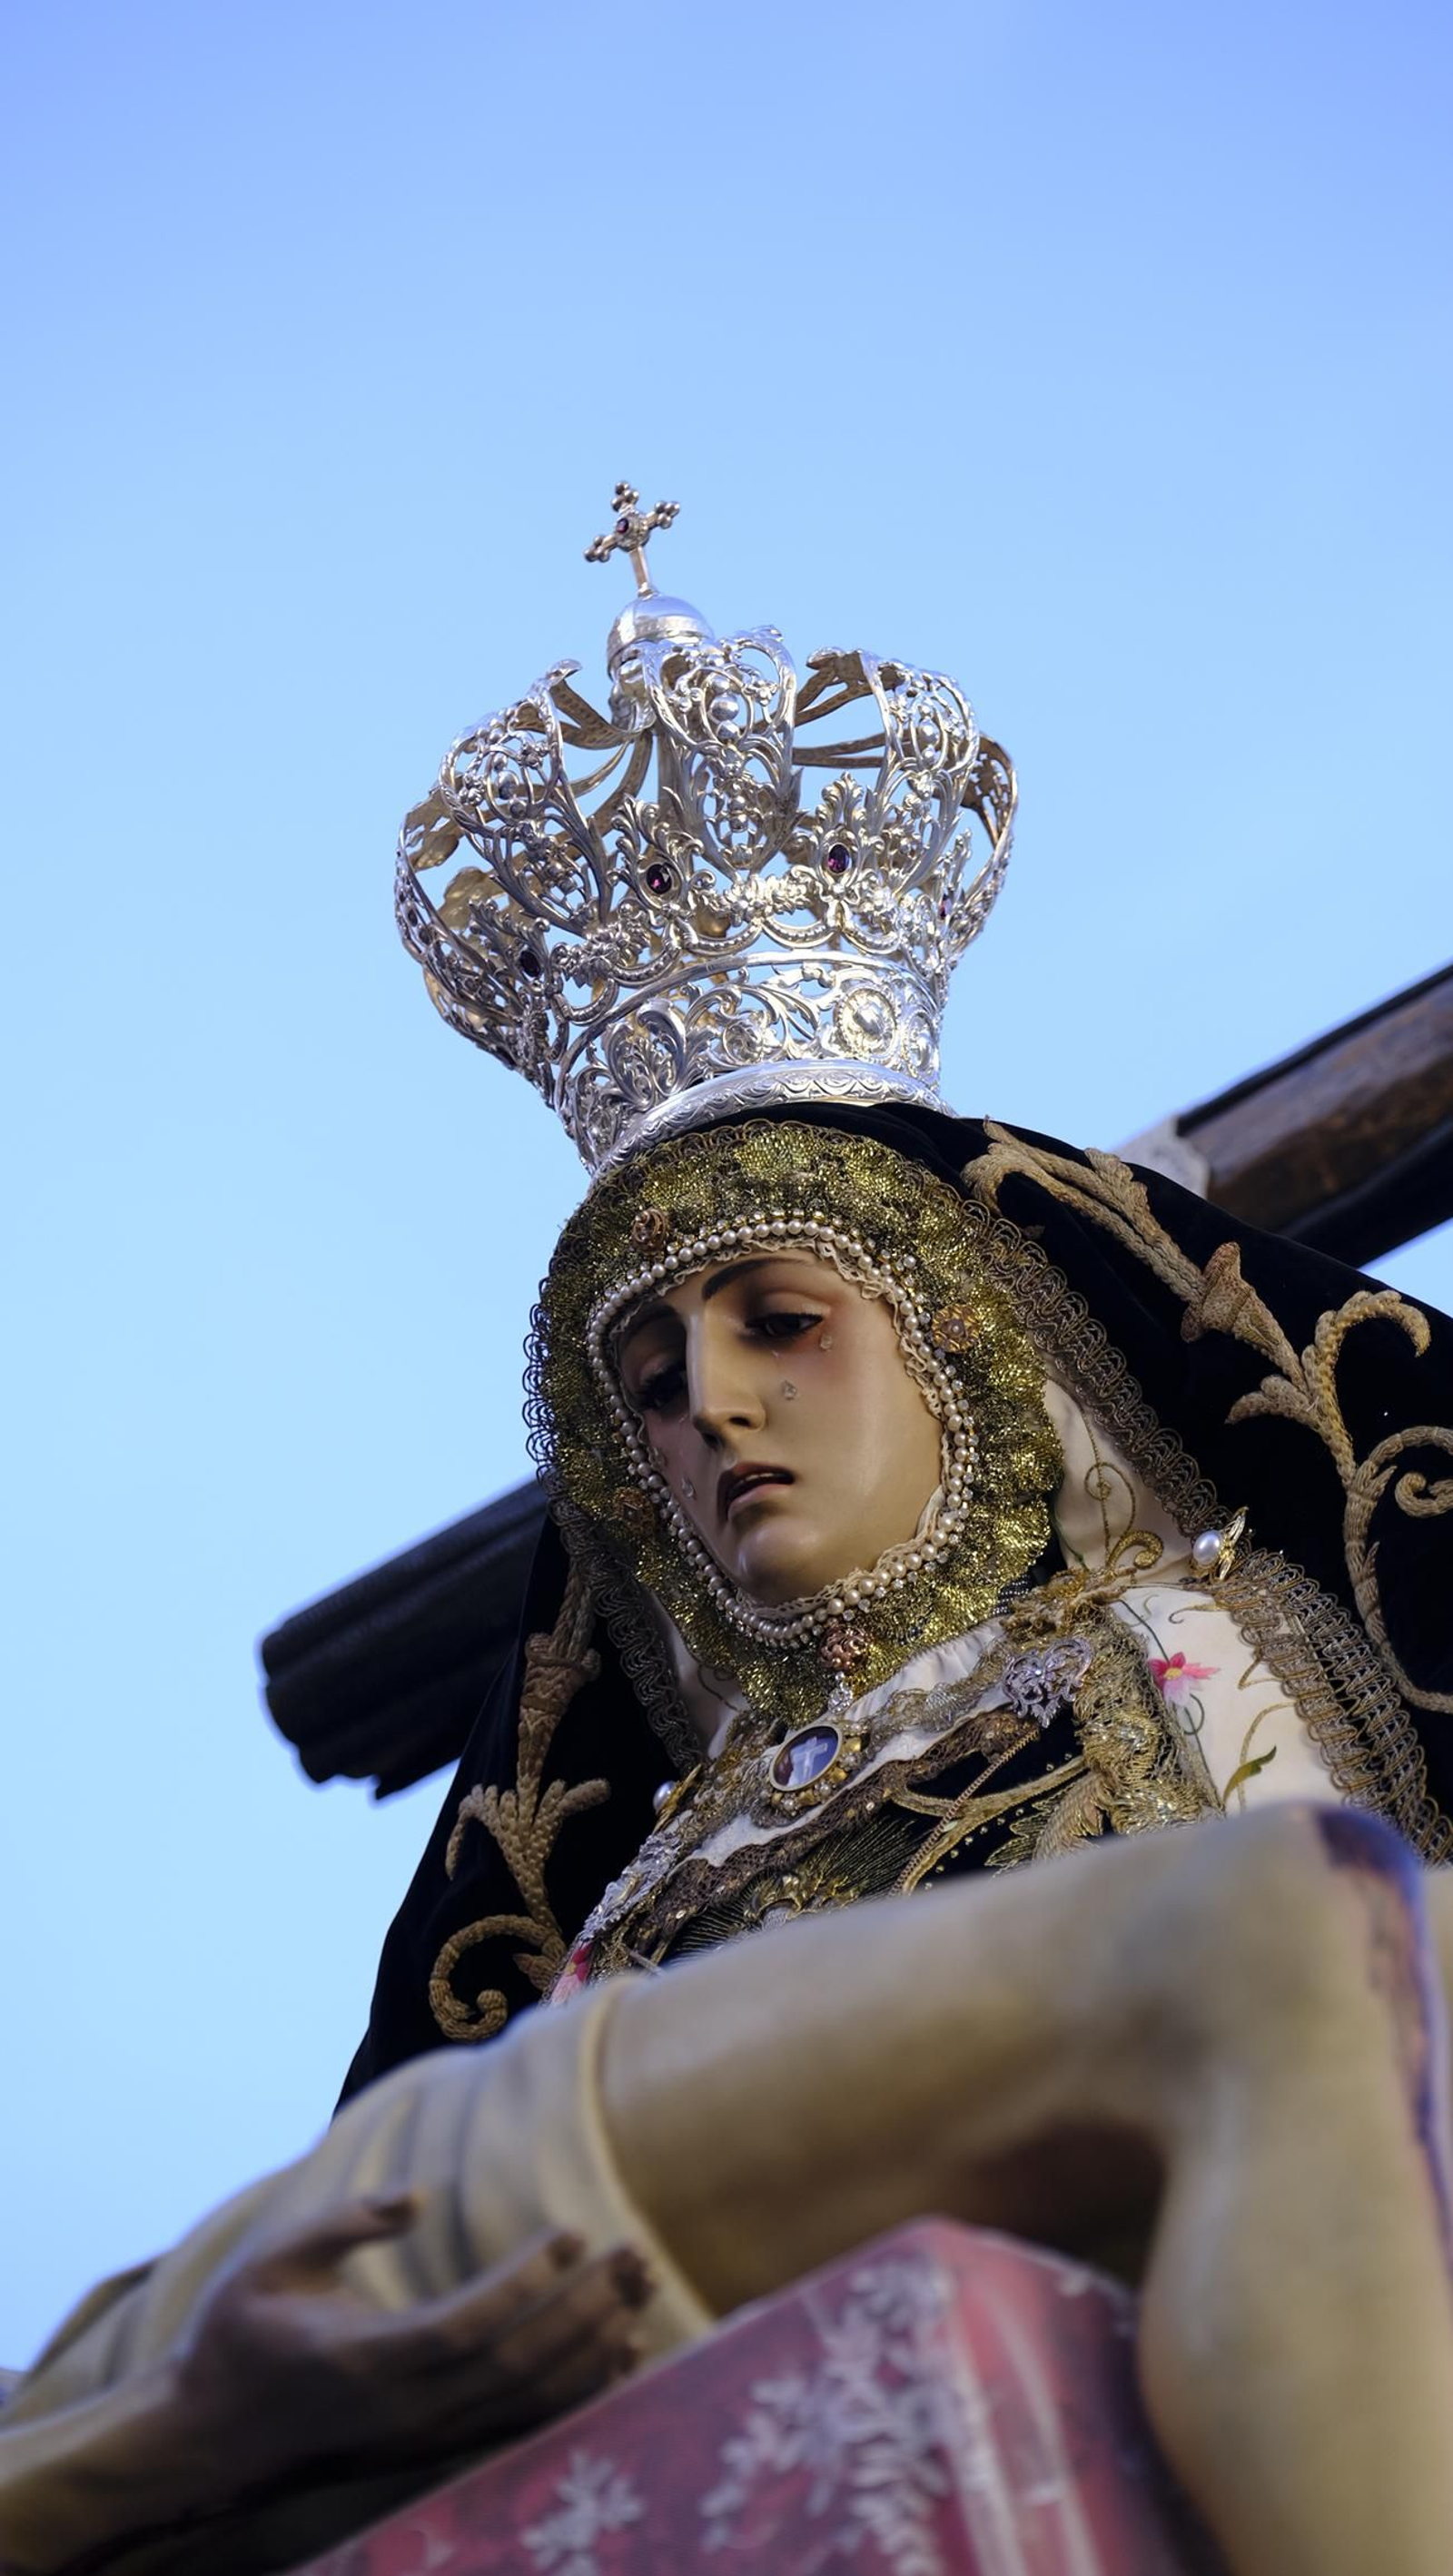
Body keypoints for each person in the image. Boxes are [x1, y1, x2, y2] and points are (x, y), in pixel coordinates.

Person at [5, 489, 1453, 2571]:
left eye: (779, 1322)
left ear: (961, 1351)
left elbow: (1347, 2071)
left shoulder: (1179, 1654)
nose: (711, 1410)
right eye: (648, 1382)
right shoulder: (634, 1890)